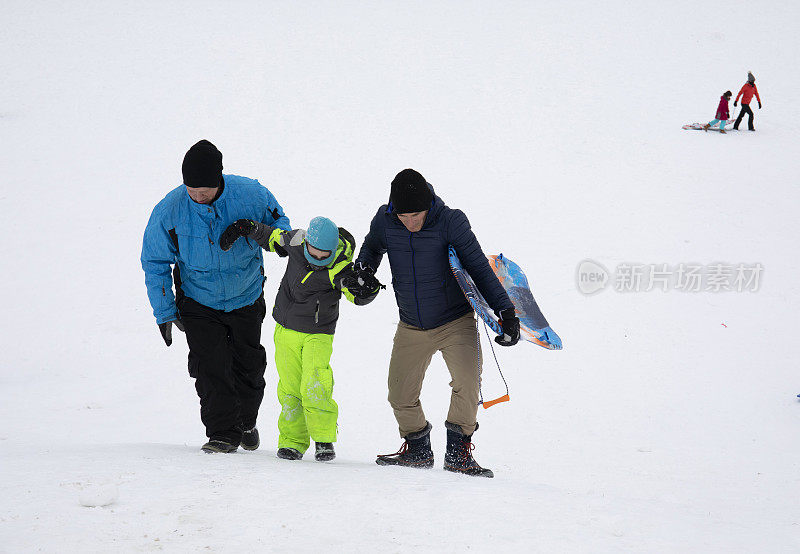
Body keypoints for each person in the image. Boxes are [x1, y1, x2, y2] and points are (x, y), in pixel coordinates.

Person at [350, 168, 520, 478]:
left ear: (429, 204)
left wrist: (506, 312)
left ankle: (459, 453)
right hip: (411, 324)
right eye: (403, 216)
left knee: (468, 383)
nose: (410, 222)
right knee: (399, 393)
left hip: (455, 321)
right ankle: (417, 449)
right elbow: (372, 247)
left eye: (416, 215)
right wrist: (363, 270)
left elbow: (479, 267)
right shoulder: (385, 220)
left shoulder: (451, 221)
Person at [141, 139, 291, 454]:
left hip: (246, 294)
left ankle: (246, 422)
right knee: (209, 367)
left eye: (205, 191)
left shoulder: (251, 195)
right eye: (192, 191)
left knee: (247, 367)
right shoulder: (170, 210)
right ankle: (222, 433)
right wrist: (165, 311)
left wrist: (257, 232)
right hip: (198, 301)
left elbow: (283, 229)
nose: (198, 196)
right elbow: (155, 262)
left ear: (219, 179)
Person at [219, 216, 378, 462]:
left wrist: (367, 292)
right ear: (306, 243)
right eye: (314, 251)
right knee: (290, 388)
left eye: (325, 254)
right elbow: (271, 236)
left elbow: (354, 293)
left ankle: (324, 439)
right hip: (285, 330)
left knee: (315, 383)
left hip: (317, 334)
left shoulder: (340, 267)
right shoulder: (296, 242)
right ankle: (292, 441)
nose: (319, 257)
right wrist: (248, 228)